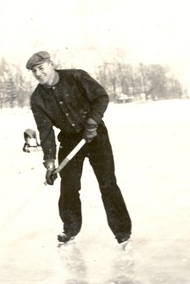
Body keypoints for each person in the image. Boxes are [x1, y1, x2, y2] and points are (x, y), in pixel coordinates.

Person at [26, 51, 132, 246]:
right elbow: (46, 132)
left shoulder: (76, 77)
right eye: (34, 71)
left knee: (107, 183)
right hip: (69, 140)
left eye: (41, 68)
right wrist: (49, 163)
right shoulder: (38, 99)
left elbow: (101, 97)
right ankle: (70, 229)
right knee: (69, 186)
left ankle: (122, 231)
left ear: (51, 64)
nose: (38, 73)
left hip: (95, 135)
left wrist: (92, 122)